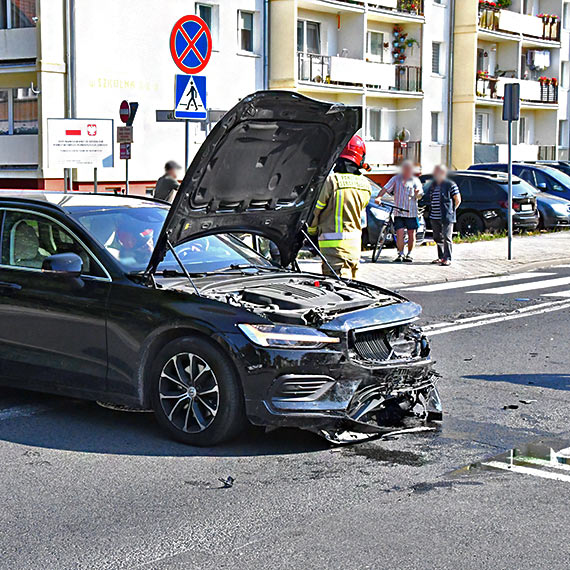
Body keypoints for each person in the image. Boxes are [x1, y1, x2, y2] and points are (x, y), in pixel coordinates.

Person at [308, 134, 372, 279]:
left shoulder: (332, 181)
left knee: (339, 291)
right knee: (353, 286)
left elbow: (315, 211)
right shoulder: (365, 184)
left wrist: (310, 232)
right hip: (355, 247)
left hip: (334, 250)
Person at [376, 160, 423, 263]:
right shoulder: (396, 179)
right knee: (399, 233)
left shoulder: (415, 180)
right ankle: (400, 253)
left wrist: (417, 193)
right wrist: (379, 197)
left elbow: (419, 195)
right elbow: (385, 188)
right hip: (398, 211)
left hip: (411, 212)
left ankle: (410, 254)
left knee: (411, 233)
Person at [423, 164, 461, 266]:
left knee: (447, 237)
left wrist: (451, 211)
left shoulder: (450, 184)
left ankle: (447, 258)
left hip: (446, 216)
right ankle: (441, 257)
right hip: (434, 216)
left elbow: (457, 199)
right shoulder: (433, 185)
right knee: (437, 237)